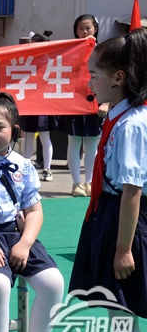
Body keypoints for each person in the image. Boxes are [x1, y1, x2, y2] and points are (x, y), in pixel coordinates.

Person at [69, 28, 147, 332]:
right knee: (118, 310)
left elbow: (132, 191)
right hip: (110, 214)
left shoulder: (132, 124)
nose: (89, 83)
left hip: (126, 221)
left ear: (118, 78)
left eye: (94, 75)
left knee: (123, 311)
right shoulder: (117, 116)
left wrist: (123, 249)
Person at [0, 92, 64, 332]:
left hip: (17, 233)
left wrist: (25, 243)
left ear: (14, 130)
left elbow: (34, 211)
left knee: (53, 283)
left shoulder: (24, 166)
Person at [58, 14, 108, 197]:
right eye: (81, 28)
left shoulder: (102, 51)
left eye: (88, 27)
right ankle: (76, 184)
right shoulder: (69, 51)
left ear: (95, 28)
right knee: (74, 142)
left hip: (94, 101)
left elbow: (108, 76)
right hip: (74, 102)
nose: (85, 31)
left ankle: (89, 182)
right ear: (75, 31)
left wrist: (106, 102)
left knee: (92, 143)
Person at [20, 31, 59, 181]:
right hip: (30, 102)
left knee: (44, 136)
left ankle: (47, 169)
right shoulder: (26, 60)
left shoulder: (50, 61)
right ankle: (26, 168)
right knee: (28, 136)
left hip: (44, 104)